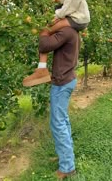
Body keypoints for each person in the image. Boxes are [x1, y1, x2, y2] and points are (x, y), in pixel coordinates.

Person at [20, 0, 90, 87]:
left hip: (78, 18)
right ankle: (42, 69)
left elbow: (72, 0)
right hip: (71, 15)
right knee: (45, 29)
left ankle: (42, 70)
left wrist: (59, 15)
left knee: (45, 30)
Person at [39, 26, 79, 179]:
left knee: (58, 123)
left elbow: (44, 45)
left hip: (62, 83)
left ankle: (67, 167)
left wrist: (44, 32)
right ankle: (65, 157)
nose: (54, 20)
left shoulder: (67, 30)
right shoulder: (71, 30)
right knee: (62, 120)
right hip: (66, 80)